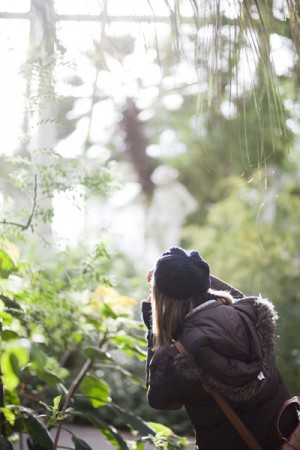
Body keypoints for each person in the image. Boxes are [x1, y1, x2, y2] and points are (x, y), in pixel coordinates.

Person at [141, 246, 298, 450]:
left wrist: (154, 335)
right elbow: (236, 295)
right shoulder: (249, 315)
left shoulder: (177, 355)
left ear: (162, 299)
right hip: (286, 438)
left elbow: (159, 400)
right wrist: (192, 274)